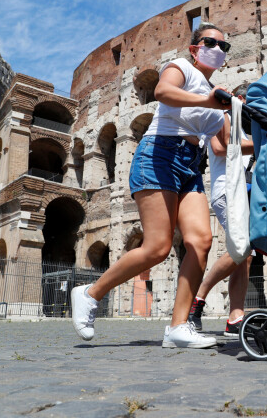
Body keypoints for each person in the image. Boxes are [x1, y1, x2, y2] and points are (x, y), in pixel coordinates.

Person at [70, 23, 234, 348]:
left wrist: (247, 118)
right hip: (159, 153)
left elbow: (222, 147)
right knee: (157, 248)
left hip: (189, 166)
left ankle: (178, 327)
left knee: (200, 242)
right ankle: (90, 293)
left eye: (224, 46)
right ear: (195, 48)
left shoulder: (218, 93)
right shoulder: (181, 68)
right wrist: (208, 100)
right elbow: (162, 93)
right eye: (211, 42)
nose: (218, 49)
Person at [189, 91, 255, 337]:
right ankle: (199, 297)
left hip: (240, 190)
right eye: (248, 104)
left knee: (245, 255)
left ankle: (235, 317)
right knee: (243, 246)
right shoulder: (222, 115)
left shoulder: (242, 128)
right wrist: (263, 144)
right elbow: (220, 148)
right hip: (226, 190)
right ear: (238, 98)